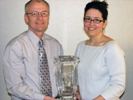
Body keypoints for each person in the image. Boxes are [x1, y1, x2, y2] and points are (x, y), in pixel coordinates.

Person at [3, 0, 63, 100]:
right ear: (26, 18)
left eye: (44, 13)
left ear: (48, 17)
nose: (40, 17)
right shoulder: (15, 47)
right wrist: (43, 98)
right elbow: (14, 87)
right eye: (34, 13)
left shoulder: (56, 45)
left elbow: (60, 78)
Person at [75, 0, 126, 100]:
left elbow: (119, 85)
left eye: (97, 20)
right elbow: (78, 77)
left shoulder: (112, 48)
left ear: (104, 23)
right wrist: (77, 91)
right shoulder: (81, 46)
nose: (91, 24)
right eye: (88, 19)